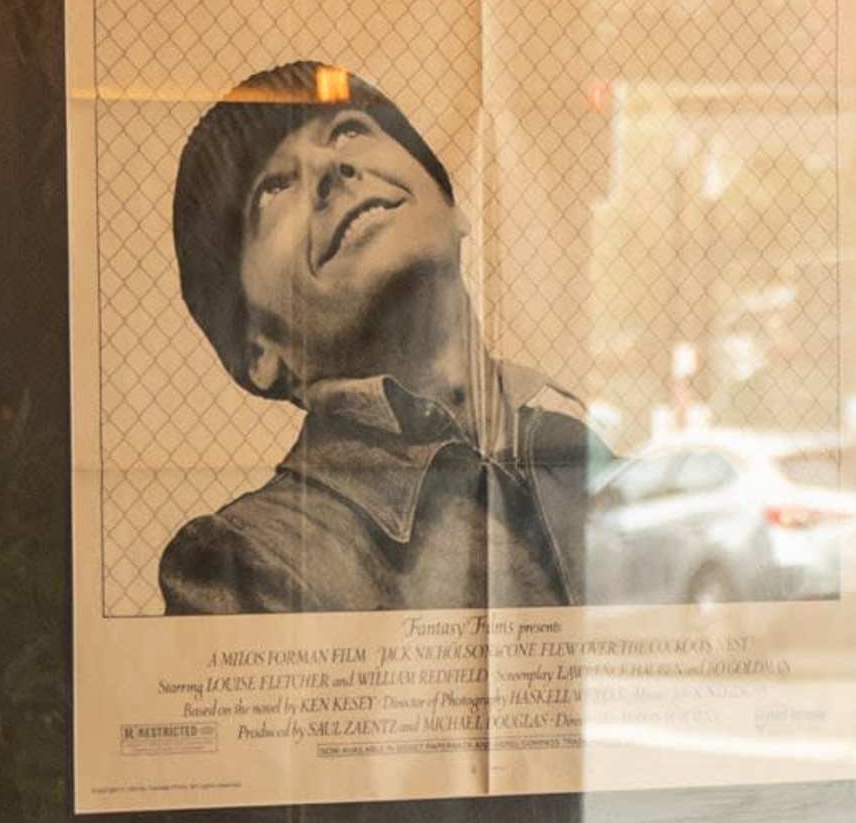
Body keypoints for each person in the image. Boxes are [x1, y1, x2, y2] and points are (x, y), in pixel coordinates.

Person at [159, 64, 592, 612]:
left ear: (454, 209)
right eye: (273, 186)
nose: (329, 165)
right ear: (258, 349)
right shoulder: (245, 563)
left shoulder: (586, 455)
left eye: (350, 130)